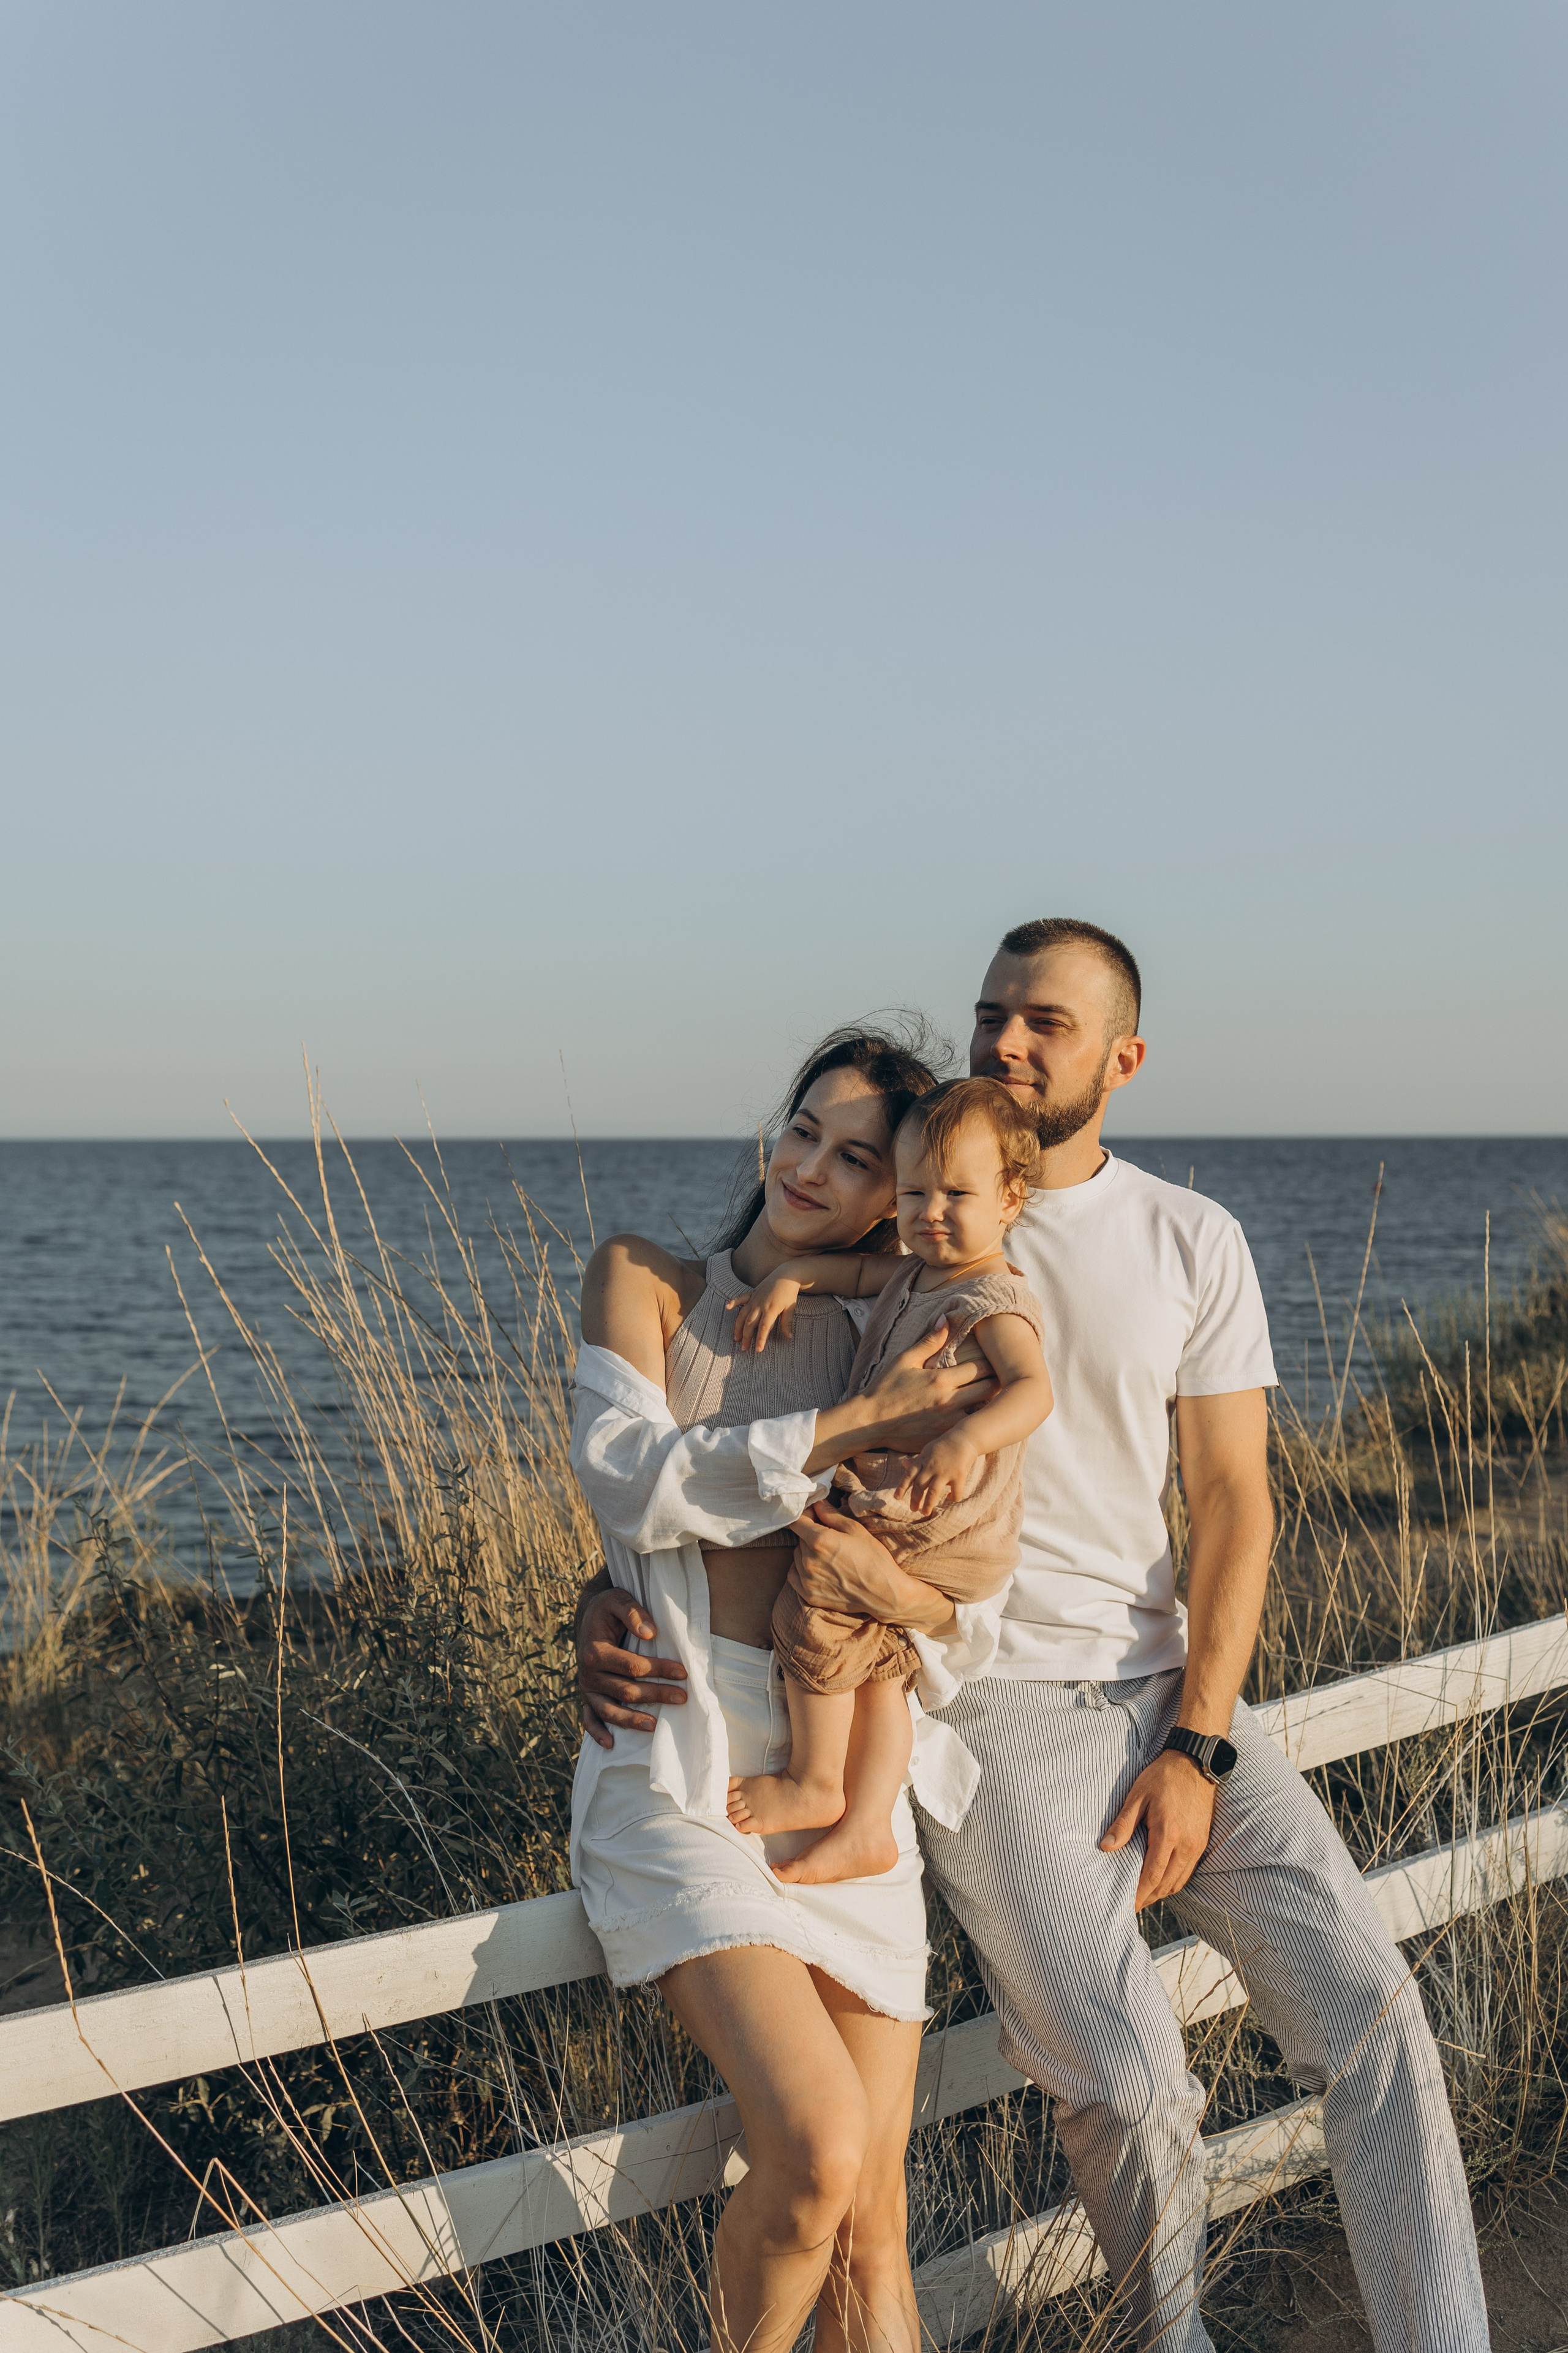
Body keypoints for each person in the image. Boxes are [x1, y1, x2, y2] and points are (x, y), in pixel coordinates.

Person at [578, 919, 1490, 2353]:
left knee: (1378, 2014)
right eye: (992, 1010)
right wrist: (607, 1590)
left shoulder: (1188, 1236)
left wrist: (1198, 1730)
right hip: (987, 1706)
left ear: (1122, 1058)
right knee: (1128, 2088)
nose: (1007, 1038)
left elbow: (1234, 1504)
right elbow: (724, 1424)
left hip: (1171, 1692)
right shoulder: (897, 1222)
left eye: (1046, 1021)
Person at [568, 1024, 1004, 2353]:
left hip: (845, 1785)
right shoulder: (646, 1279)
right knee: (814, 2151)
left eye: (858, 1155)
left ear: (903, 1190)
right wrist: (851, 1429)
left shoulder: (903, 1328)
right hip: (682, 1769)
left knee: (873, 2229)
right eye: (801, 1128)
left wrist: (907, 1598)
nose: (808, 1164)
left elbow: (960, 1599)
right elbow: (634, 1480)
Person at [724, 1075, 1052, 1887]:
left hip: (938, 1518)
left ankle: (814, 1782)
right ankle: (868, 1822)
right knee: (879, 1661)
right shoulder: (914, 1274)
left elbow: (1035, 1391)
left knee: (817, 1600)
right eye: (913, 1192)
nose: (931, 1211)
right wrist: (793, 1276)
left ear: (1010, 1199)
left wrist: (963, 1439)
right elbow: (853, 1275)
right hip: (915, 1514)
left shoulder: (994, 1297)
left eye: (957, 1193)